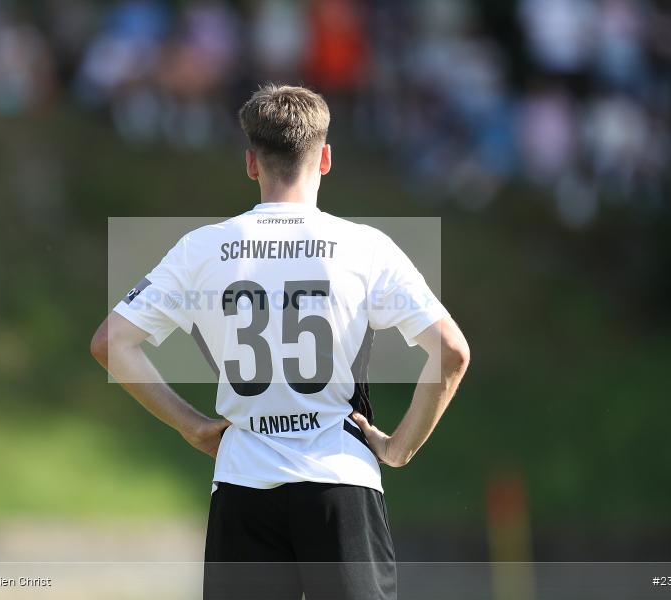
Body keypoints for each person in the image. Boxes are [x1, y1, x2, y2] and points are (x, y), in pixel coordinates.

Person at [90, 84, 470, 600]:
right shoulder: (365, 247)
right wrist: (399, 447)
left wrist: (193, 426)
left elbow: (111, 343)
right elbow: (451, 351)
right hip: (340, 481)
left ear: (251, 163)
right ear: (326, 157)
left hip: (243, 483)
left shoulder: (202, 248)